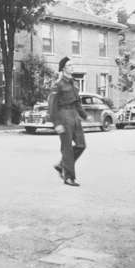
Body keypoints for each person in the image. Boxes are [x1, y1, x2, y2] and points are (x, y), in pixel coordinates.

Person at [49, 57, 89, 187]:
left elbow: (77, 102)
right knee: (67, 149)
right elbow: (52, 106)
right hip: (64, 116)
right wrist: (57, 124)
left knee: (81, 145)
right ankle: (69, 178)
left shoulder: (74, 83)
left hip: (75, 116)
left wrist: (84, 115)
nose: (72, 67)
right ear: (63, 69)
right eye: (69, 65)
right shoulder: (58, 85)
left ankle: (62, 165)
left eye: (72, 65)